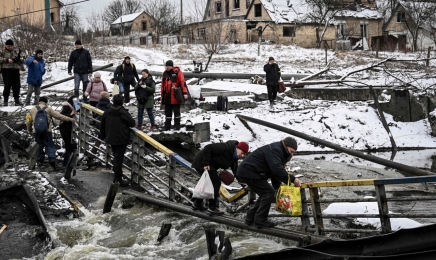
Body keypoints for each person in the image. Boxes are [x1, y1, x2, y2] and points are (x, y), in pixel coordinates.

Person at [236, 137, 301, 228]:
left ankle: (250, 217)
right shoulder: (276, 150)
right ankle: (260, 220)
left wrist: (277, 186)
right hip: (249, 171)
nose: (292, 154)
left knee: (265, 194)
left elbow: (273, 171)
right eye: (291, 151)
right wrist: (293, 179)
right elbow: (276, 169)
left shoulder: (280, 151)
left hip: (249, 171)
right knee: (268, 192)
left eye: (294, 152)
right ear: (286, 146)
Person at [191, 141, 249, 216]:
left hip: (210, 165)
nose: (243, 155)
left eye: (244, 154)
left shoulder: (233, 159)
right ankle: (212, 208)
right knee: (216, 183)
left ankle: (197, 204)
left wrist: (244, 184)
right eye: (242, 152)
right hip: (202, 162)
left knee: (209, 182)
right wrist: (206, 163)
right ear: (237, 148)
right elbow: (208, 148)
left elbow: (236, 173)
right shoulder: (225, 147)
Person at [26, 96, 75, 170]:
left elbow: (28, 121)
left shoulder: (32, 109)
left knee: (39, 145)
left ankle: (39, 161)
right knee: (49, 145)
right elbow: (59, 116)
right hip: (47, 131)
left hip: (36, 131)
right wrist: (69, 119)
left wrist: (29, 129)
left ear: (39, 101)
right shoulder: (48, 109)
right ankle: (52, 159)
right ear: (46, 102)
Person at [100, 94, 135, 186]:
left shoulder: (107, 111)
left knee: (116, 156)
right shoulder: (123, 112)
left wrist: (105, 136)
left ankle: (117, 175)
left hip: (111, 137)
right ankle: (117, 178)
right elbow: (132, 123)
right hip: (121, 138)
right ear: (122, 102)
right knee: (118, 158)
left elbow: (102, 125)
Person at [161, 60, 188, 130]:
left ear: (172, 66)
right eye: (166, 66)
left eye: (169, 66)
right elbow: (163, 85)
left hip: (175, 95)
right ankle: (167, 126)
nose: (167, 67)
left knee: (176, 112)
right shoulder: (165, 73)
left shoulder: (178, 72)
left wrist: (185, 93)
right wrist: (162, 95)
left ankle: (177, 126)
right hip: (167, 95)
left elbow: (183, 83)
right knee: (167, 112)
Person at [89, 91, 111, 158]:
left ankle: (92, 154)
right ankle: (109, 157)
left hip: (98, 123)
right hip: (106, 124)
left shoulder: (98, 104)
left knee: (99, 139)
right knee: (109, 140)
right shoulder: (109, 105)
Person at [1, 39, 23, 106]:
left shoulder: (16, 51)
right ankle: (5, 101)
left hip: (15, 70)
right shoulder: (2, 51)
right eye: (8, 46)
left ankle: (17, 100)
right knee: (7, 85)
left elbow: (22, 59)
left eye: (11, 46)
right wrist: (7, 60)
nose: (10, 47)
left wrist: (18, 60)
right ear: (6, 46)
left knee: (16, 86)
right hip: (6, 70)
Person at [59, 96, 76, 167]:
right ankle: (68, 164)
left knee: (70, 147)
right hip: (67, 132)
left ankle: (67, 163)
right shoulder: (68, 109)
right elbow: (65, 117)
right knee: (72, 147)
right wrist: (71, 115)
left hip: (64, 132)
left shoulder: (65, 108)